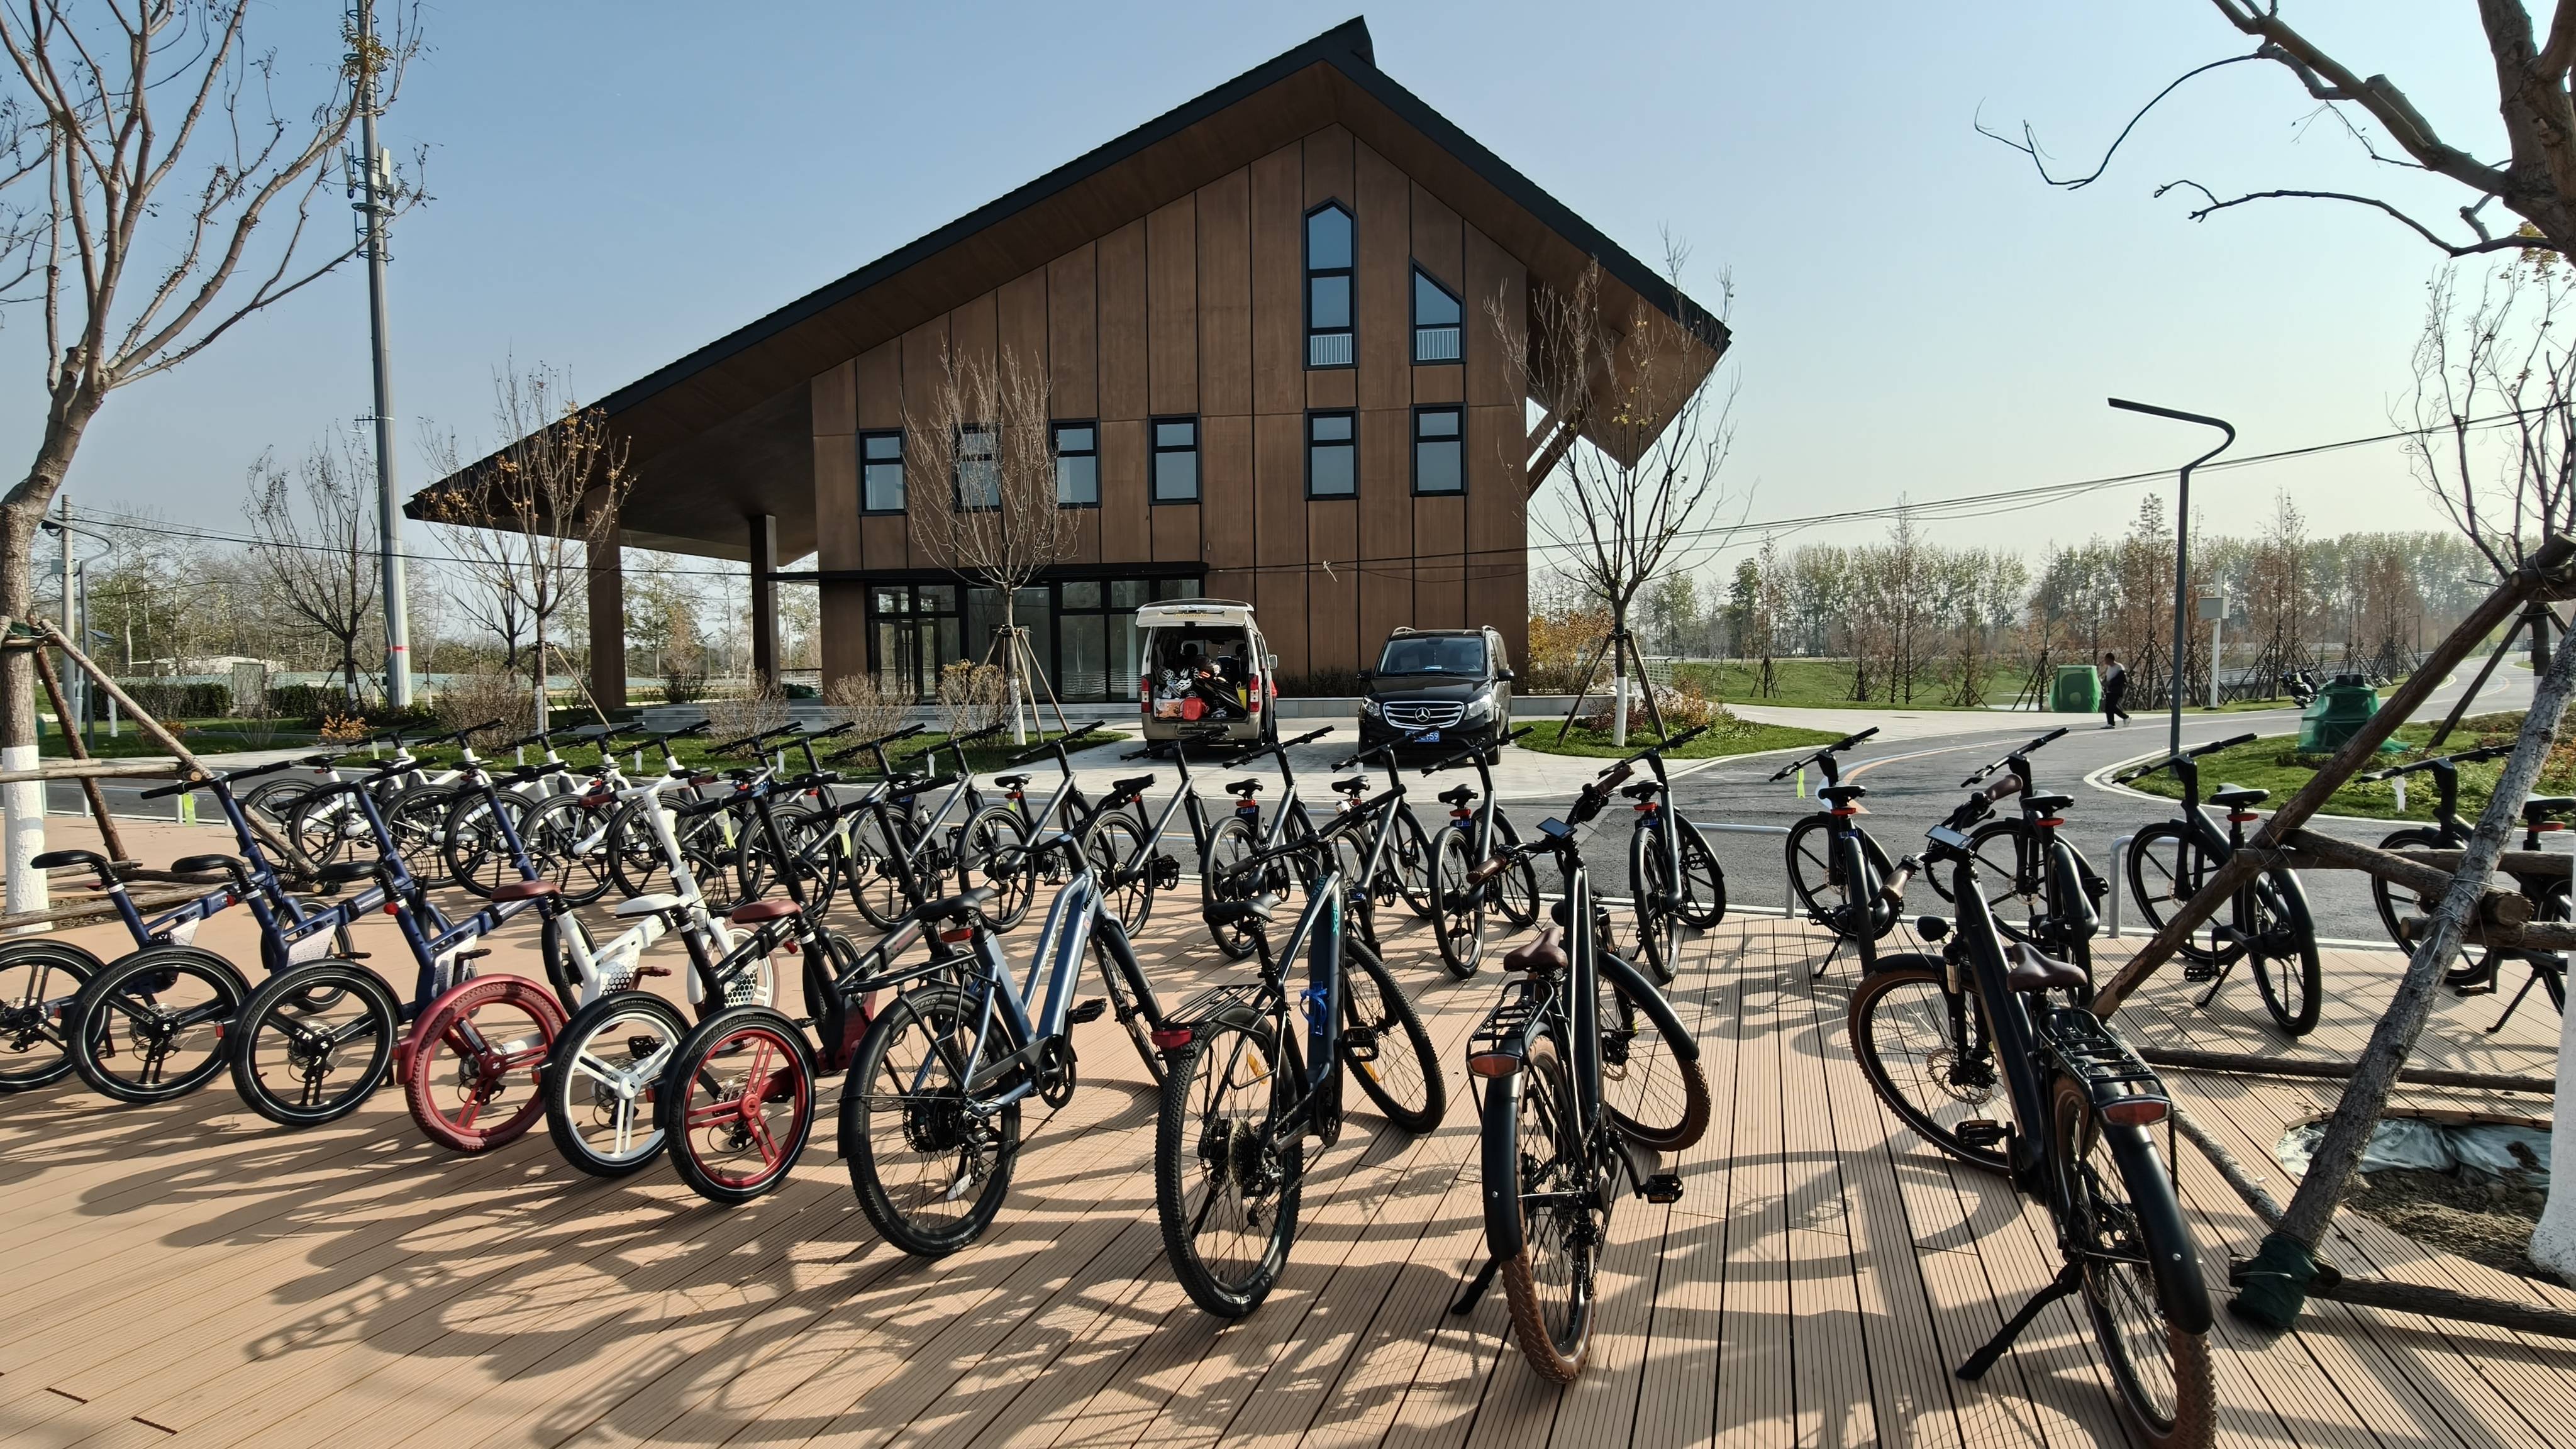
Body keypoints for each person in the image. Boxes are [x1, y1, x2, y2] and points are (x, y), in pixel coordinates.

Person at [2101, 651, 2130, 730]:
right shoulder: (2109, 668)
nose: (2105, 661)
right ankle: (2110, 723)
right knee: (2108, 707)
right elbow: (2107, 677)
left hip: (2116, 689)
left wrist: (2110, 683)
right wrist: (2104, 682)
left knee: (2112, 706)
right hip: (2109, 689)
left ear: (2110, 659)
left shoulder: (2119, 667)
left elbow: (2121, 678)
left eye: (2106, 659)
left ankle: (2125, 717)